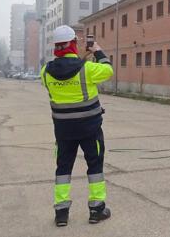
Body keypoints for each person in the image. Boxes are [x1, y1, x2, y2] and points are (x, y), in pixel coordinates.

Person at [40, 25, 113, 227]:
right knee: (95, 167)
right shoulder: (87, 69)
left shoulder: (45, 72)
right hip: (90, 129)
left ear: (56, 46)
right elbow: (108, 69)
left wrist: (80, 58)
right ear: (73, 44)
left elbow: (66, 70)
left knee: (63, 169)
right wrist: (96, 50)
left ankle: (61, 212)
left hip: (63, 132)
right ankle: (96, 210)